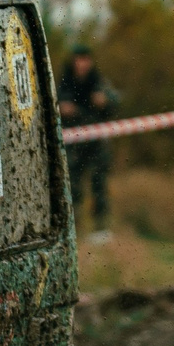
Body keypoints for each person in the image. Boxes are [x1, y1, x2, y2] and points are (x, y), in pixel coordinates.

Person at [59, 45, 115, 237]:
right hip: (73, 143)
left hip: (96, 142)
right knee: (72, 185)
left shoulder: (98, 81)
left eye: (85, 59)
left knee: (99, 184)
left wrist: (105, 100)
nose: (81, 64)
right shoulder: (65, 83)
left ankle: (101, 227)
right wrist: (61, 108)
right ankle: (73, 229)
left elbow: (114, 101)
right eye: (78, 59)